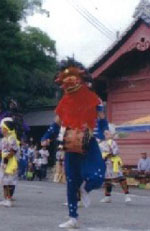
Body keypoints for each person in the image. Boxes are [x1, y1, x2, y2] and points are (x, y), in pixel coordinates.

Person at [41, 59, 106, 228]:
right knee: (71, 181)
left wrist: (105, 129)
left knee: (98, 176)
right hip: (70, 143)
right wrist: (47, 135)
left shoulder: (93, 98)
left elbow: (101, 116)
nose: (68, 83)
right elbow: (57, 122)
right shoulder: (64, 101)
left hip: (89, 141)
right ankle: (73, 218)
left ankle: (85, 188)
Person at [99, 130, 131, 203]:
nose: (106, 134)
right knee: (107, 180)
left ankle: (127, 195)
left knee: (121, 178)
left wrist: (107, 154)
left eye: (107, 133)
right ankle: (107, 197)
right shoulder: (101, 143)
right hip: (105, 163)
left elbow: (115, 151)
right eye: (105, 133)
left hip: (113, 162)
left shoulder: (112, 142)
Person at [0, 117, 20, 208]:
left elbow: (13, 151)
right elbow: (0, 150)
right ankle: (5, 199)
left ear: (6, 128)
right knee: (4, 181)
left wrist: (5, 158)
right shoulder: (4, 139)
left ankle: (9, 199)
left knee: (10, 181)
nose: (1, 130)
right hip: (5, 162)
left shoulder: (12, 138)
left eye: (2, 128)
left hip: (11, 163)